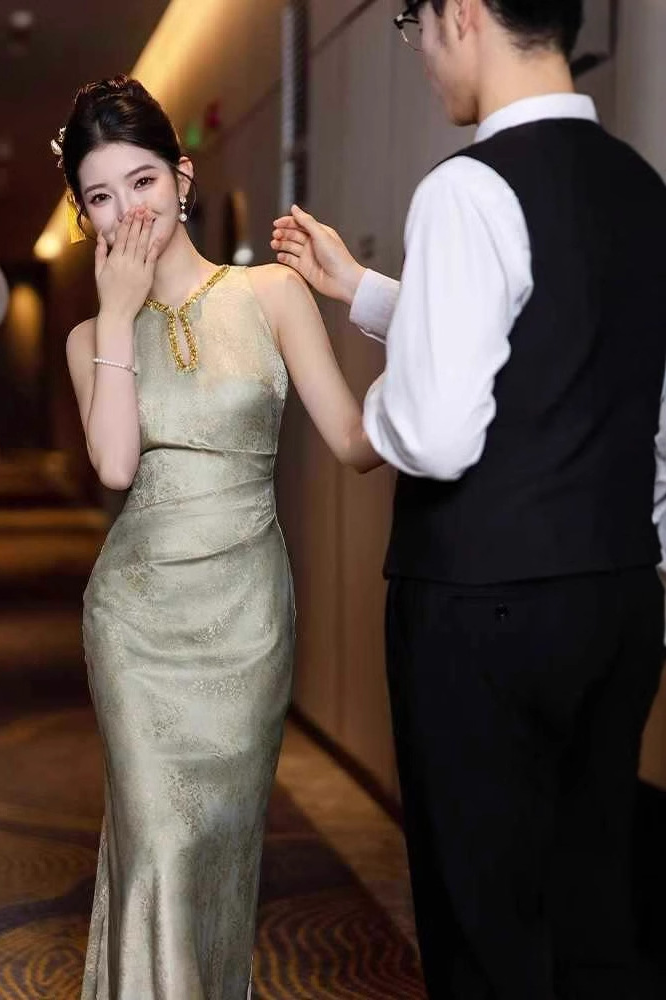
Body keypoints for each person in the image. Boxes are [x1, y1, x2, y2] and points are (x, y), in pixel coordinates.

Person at [271, 1, 666, 998]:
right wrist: (366, 291)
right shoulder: (642, 186)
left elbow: (436, 431)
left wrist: (375, 416)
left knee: (483, 924)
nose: (421, 54)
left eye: (414, 25)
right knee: (592, 906)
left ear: (462, 13)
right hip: (620, 593)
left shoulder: (466, 186)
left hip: (481, 604)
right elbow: (559, 347)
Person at [56, 75, 380, 1000]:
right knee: (158, 847)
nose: (129, 211)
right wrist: (116, 314)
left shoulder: (271, 293)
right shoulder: (88, 339)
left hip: (246, 616)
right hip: (136, 623)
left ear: (183, 177)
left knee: (216, 853)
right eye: (101, 197)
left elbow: (355, 443)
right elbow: (115, 465)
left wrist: (454, 362)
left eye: (144, 181)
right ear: (83, 215)